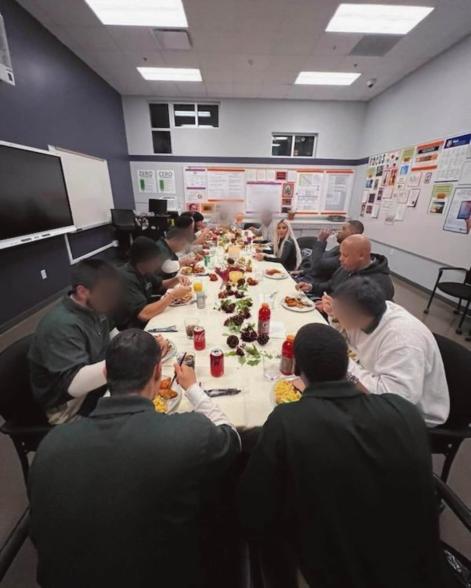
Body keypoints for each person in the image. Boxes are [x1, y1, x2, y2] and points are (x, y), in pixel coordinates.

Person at [238, 323, 444, 588]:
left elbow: (253, 512)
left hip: (340, 573)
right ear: (348, 364)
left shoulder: (288, 421)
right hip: (420, 569)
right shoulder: (404, 410)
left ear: (298, 370)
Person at [29, 329, 240, 588]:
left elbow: (39, 535)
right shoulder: (187, 433)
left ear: (105, 373)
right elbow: (232, 439)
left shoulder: (50, 445)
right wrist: (194, 389)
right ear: (157, 373)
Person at [324, 277, 449, 426]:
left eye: (341, 312)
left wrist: (342, 362)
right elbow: (349, 339)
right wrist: (335, 316)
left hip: (410, 415)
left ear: (357, 314)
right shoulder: (372, 311)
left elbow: (394, 398)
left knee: (329, 418)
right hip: (375, 379)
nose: (337, 315)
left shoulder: (403, 341)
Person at [28, 259, 121, 424]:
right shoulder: (60, 325)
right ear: (82, 291)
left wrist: (138, 341)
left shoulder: (95, 306)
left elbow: (113, 335)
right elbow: (75, 384)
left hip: (95, 387)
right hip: (69, 408)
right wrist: (129, 359)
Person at [116, 236, 191, 330]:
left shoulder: (144, 270)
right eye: (155, 260)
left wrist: (176, 279)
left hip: (148, 317)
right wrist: (172, 296)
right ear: (144, 260)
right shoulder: (126, 278)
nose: (158, 264)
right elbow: (143, 314)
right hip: (133, 329)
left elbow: (160, 284)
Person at [297, 234, 394, 301]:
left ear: (361, 256)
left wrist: (336, 309)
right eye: (341, 254)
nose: (340, 259)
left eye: (345, 255)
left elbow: (368, 319)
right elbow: (331, 285)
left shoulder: (380, 283)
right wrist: (311, 287)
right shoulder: (347, 267)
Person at [297, 220, 364, 282]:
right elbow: (317, 263)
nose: (339, 231)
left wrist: (321, 241)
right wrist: (302, 272)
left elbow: (317, 266)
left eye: (343, 229)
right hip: (305, 278)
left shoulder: (345, 255)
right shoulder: (337, 248)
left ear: (352, 234)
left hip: (312, 285)